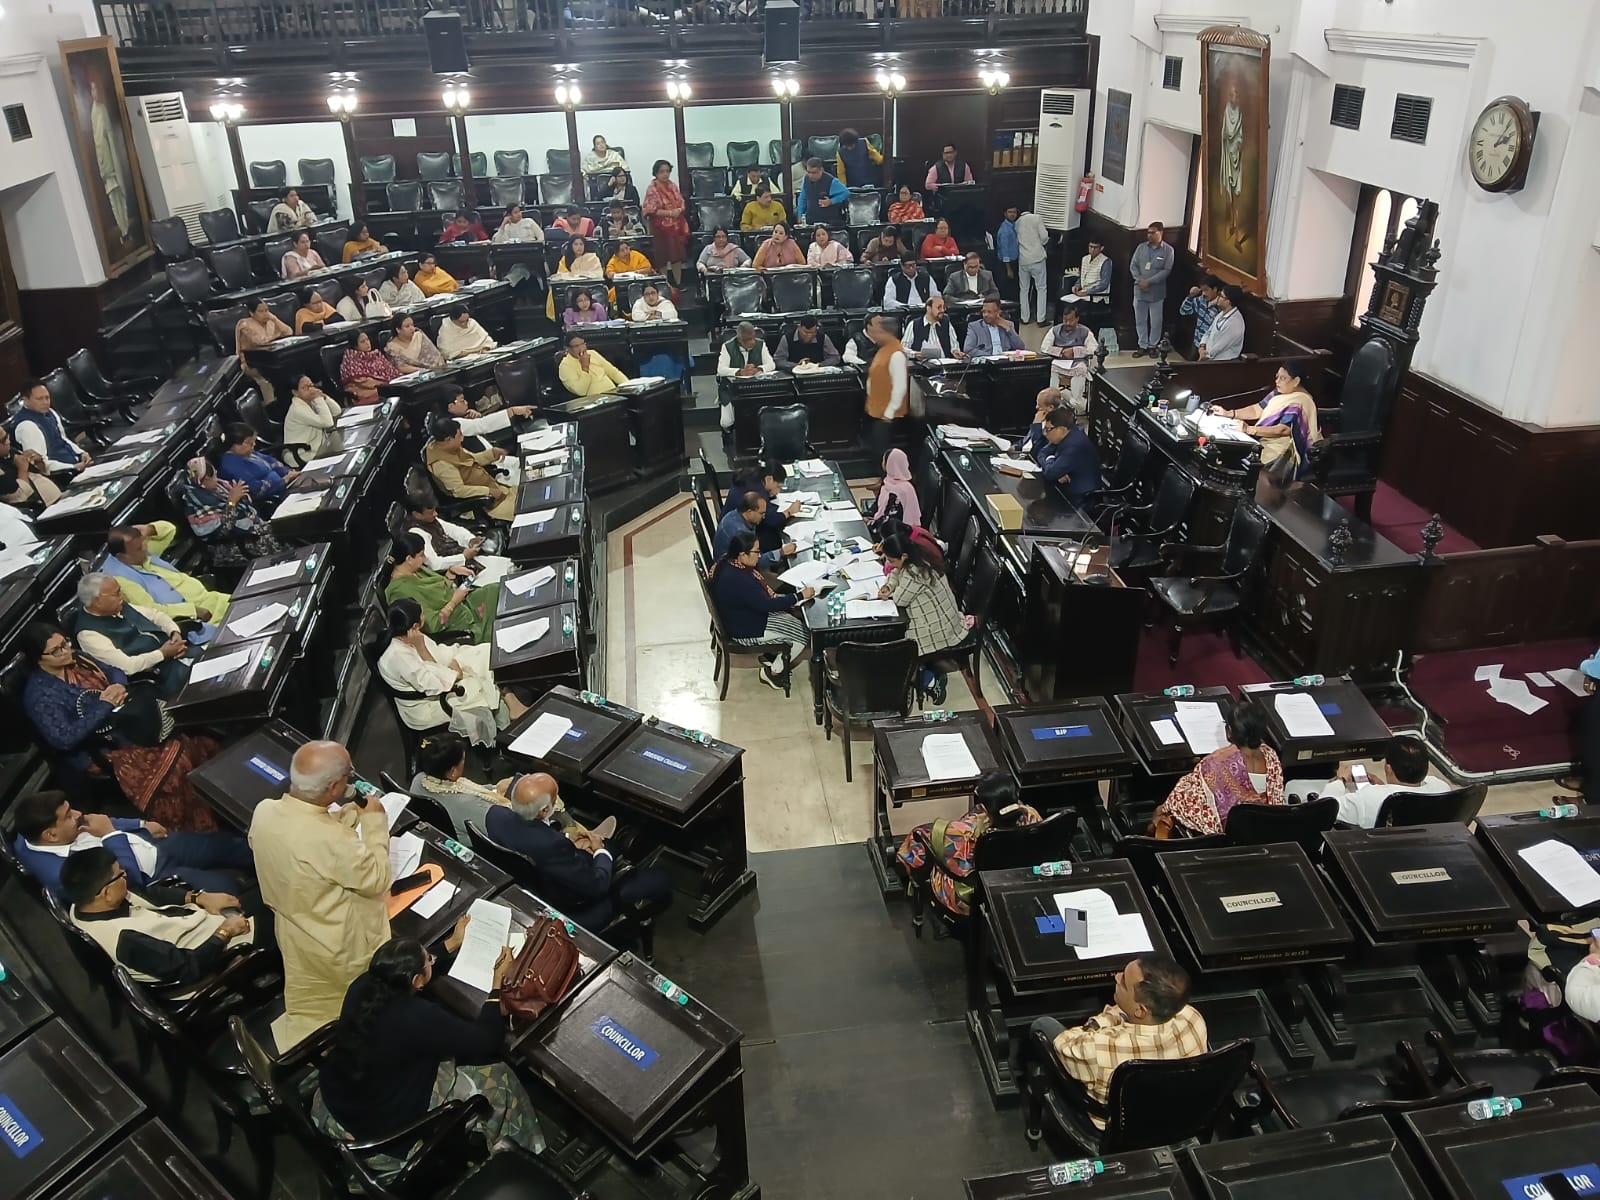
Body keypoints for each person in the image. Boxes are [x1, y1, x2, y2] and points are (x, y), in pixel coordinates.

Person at [316, 935, 539, 1152]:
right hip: (385, 1127)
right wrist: (497, 987)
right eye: (429, 960)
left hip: (342, 1096)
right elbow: (485, 1041)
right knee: (500, 1076)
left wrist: (450, 944)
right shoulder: (416, 1016)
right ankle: (527, 1152)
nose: (432, 960)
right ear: (417, 980)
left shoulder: (363, 984)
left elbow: (405, 969)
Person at [249, 740, 392, 1049]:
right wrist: (375, 823)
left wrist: (343, 819)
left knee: (312, 995)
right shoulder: (331, 841)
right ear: (334, 788)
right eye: (348, 773)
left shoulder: (264, 811)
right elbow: (378, 878)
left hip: (296, 931)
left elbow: (304, 837)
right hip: (337, 943)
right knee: (354, 1009)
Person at [18, 624, 220, 831]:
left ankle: (220, 806)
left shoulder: (78, 658)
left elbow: (114, 671)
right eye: (56, 651)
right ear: (38, 659)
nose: (66, 651)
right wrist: (105, 705)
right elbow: (64, 739)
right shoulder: (40, 696)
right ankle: (195, 829)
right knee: (177, 763)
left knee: (196, 737)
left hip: (127, 721)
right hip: (101, 747)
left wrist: (118, 685)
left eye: (65, 643)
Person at [1028, 956, 1207, 1125]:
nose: (1117, 977)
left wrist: (1095, 1024)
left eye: (1123, 982)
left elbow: (1065, 1044)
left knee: (1043, 1025)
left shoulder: (1097, 1048)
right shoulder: (1192, 1017)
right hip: (1177, 1115)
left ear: (1140, 1011)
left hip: (1121, 1125)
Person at [486, 774, 672, 932]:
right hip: (575, 908)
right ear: (544, 811)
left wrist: (567, 838)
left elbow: (530, 837)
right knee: (661, 877)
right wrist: (599, 850)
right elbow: (597, 886)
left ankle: (609, 849)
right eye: (554, 800)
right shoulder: (553, 845)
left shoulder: (494, 815)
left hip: (528, 886)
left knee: (608, 847)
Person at [63, 846, 258, 993]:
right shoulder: (126, 940)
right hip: (214, 956)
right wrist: (225, 931)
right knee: (274, 907)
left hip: (199, 922)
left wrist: (198, 898)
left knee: (260, 894)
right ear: (106, 893)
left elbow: (150, 895)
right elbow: (189, 968)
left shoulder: (84, 903)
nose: (125, 875)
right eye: (120, 874)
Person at [14, 788, 249, 901]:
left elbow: (101, 821)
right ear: (51, 835)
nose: (78, 814)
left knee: (228, 845)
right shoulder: (66, 875)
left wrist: (139, 823)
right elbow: (129, 883)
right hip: (154, 879)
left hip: (151, 843)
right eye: (68, 816)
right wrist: (109, 835)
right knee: (229, 889)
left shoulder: (29, 834)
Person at [896, 774, 1041, 918]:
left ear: (983, 807)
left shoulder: (964, 834)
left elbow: (922, 835)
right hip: (1018, 882)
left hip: (973, 897)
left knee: (921, 842)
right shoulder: (1032, 817)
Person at [380, 599, 520, 747]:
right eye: (422, 615)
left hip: (443, 674)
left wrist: (452, 663)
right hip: (428, 703)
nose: (424, 617)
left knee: (485, 653)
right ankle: (509, 727)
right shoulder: (400, 657)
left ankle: (513, 705)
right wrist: (452, 672)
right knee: (479, 685)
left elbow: (438, 653)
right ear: (415, 625)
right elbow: (433, 684)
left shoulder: (411, 635)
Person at [1154, 699, 1284, 836]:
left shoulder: (1215, 762)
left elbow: (1182, 799)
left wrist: (1162, 809)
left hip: (1230, 836)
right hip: (1266, 830)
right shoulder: (1271, 756)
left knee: (1162, 813)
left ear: (1229, 731)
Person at [708, 531, 811, 691]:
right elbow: (767, 605)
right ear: (742, 554)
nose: (759, 555)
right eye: (756, 552)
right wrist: (799, 596)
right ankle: (773, 672)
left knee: (793, 619)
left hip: (741, 615)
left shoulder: (728, 562)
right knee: (803, 635)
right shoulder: (741, 580)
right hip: (747, 628)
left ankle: (772, 654)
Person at [877, 530, 970, 703]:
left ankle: (930, 680)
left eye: (892, 560)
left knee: (896, 648)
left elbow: (900, 600)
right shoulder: (917, 557)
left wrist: (890, 593)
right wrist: (889, 587)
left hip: (938, 626)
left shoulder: (915, 572)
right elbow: (895, 573)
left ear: (903, 557)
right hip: (943, 617)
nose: (889, 564)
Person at [73, 573, 191, 699]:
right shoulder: (88, 634)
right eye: (116, 593)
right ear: (97, 601)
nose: (122, 596)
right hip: (158, 675)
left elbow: (156, 616)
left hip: (176, 653)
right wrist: (163, 653)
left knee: (205, 658)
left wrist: (174, 632)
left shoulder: (118, 605)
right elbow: (128, 666)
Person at [1285, 736, 1449, 826]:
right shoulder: (1442, 788)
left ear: (1388, 768)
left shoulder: (1369, 797)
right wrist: (1386, 787)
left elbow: (1324, 808)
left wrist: (1341, 779)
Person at [103, 521, 230, 635]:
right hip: (195, 620)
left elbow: (169, 529)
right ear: (121, 556)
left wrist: (148, 529)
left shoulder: (137, 550)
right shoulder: (120, 579)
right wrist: (193, 610)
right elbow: (151, 611)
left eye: (143, 542)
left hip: (213, 600)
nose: (145, 548)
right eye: (139, 548)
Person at [1211, 361, 1321, 479]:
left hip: (1281, 453)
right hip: (1262, 441)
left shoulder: (1302, 401)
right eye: (1277, 377)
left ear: (1296, 381)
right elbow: (1256, 410)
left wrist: (1249, 429)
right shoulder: (1279, 392)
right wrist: (1228, 413)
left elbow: (1283, 430)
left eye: (1282, 378)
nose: (1277, 381)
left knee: (1235, 459)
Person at [385, 531, 501, 643]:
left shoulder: (415, 569)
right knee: (499, 627)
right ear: (409, 559)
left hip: (463, 603)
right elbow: (434, 624)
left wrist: (451, 572)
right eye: (421, 555)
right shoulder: (400, 592)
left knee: (496, 589)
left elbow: (439, 589)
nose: (425, 558)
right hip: (456, 623)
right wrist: (454, 601)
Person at [179, 456, 282, 565]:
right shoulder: (197, 505)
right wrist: (232, 502)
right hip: (233, 545)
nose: (217, 478)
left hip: (251, 529)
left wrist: (241, 496)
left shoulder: (218, 487)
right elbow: (222, 532)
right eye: (214, 476)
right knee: (281, 540)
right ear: (204, 481)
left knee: (284, 528)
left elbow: (244, 506)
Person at [406, 494, 511, 585]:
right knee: (501, 580)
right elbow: (435, 564)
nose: (436, 514)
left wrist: (470, 540)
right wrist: (463, 556)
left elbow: (453, 529)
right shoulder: (416, 534)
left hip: (464, 557)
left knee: (508, 566)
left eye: (434, 511)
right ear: (417, 515)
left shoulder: (429, 519)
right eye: (431, 513)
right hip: (453, 571)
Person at [424, 418, 515, 524]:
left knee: (528, 493)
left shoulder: (450, 447)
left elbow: (471, 460)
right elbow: (459, 490)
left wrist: (492, 454)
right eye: (460, 435)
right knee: (525, 510)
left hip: (497, 488)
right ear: (448, 439)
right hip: (484, 504)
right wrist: (488, 491)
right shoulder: (442, 465)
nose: (462, 439)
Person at [9, 378, 89, 480]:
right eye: (39, 399)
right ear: (26, 400)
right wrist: (73, 467)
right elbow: (41, 465)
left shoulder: (50, 412)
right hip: (62, 476)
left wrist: (81, 453)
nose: (45, 402)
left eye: (47, 398)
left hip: (76, 465)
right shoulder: (27, 426)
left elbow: (62, 439)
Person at [89, 76, 132, 238]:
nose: (95, 92)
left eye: (96, 88)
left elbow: (109, 136)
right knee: (113, 198)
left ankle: (125, 227)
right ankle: (122, 228)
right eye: (92, 89)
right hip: (105, 162)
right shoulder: (94, 111)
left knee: (120, 195)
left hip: (112, 160)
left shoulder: (102, 109)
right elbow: (98, 139)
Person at [218, 423, 297, 511]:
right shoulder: (230, 465)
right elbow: (256, 489)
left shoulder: (248, 453)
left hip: (285, 485)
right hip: (273, 497)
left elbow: (271, 461)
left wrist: (288, 472)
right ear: (234, 444)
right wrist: (283, 480)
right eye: (249, 442)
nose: (253, 444)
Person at [862, 313, 908, 458]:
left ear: (888, 333)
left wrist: (889, 412)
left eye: (879, 332)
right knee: (873, 450)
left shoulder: (896, 354)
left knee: (881, 453)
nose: (876, 335)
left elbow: (900, 386)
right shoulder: (883, 349)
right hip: (876, 411)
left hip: (887, 416)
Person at [713, 490, 795, 572]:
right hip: (733, 571)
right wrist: (781, 552)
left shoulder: (735, 514)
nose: (764, 517)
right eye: (761, 513)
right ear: (749, 512)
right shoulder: (740, 533)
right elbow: (756, 561)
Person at [1037, 404, 1102, 503]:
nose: (1045, 434)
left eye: (1048, 429)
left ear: (1061, 429)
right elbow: (1041, 453)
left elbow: (1050, 473)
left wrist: (1051, 460)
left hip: (1082, 499)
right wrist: (1057, 470)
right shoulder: (1064, 435)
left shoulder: (1074, 446)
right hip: (1065, 489)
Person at [642, 159, 690, 290]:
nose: (665, 174)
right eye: (662, 171)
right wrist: (669, 213)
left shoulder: (672, 186)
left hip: (676, 226)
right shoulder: (652, 188)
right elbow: (650, 210)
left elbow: (682, 203)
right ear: (656, 173)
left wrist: (678, 210)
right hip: (659, 227)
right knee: (662, 256)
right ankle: (664, 284)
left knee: (676, 256)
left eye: (667, 171)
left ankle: (678, 283)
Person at [1130, 222, 1175, 357]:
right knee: (1140, 320)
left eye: (1152, 232)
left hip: (1156, 293)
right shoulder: (1141, 248)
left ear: (1161, 232)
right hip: (1139, 290)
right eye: (1148, 232)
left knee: (1156, 322)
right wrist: (1140, 280)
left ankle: (1153, 346)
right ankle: (1142, 345)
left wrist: (1149, 282)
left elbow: (1166, 270)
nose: (1149, 235)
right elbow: (1133, 265)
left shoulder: (1168, 250)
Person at [1041, 305, 1098, 404]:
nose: (1067, 323)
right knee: (1051, 367)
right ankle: (1052, 399)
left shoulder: (1085, 331)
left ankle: (1076, 401)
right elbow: (1044, 347)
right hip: (1059, 361)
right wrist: (1061, 352)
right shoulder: (1055, 330)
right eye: (1065, 320)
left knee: (1081, 369)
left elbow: (1094, 348)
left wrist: (1075, 351)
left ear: (1077, 319)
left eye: (1071, 320)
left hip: (1077, 362)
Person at [0, 424, 61, 509]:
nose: (8, 442)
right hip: (40, 510)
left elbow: (42, 474)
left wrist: (39, 463)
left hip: (58, 500)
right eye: (3, 440)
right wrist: (22, 470)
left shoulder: (11, 451)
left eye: (7, 436)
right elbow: (20, 499)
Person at [283, 375, 342, 460]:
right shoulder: (298, 409)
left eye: (311, 385)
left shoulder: (310, 400)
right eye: (305, 388)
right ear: (295, 392)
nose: (310, 389)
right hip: (304, 453)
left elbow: (337, 411)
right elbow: (328, 423)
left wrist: (324, 397)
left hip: (319, 445)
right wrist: (318, 398)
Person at [1219, 80, 1247, 250]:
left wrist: (1237, 144)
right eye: (1230, 94)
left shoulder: (1240, 113)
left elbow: (1240, 135)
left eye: (1235, 94)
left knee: (1237, 195)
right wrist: (1227, 141)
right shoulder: (1227, 109)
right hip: (1227, 156)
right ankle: (1230, 226)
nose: (1232, 97)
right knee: (1228, 195)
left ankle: (1237, 233)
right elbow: (1224, 132)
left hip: (1236, 155)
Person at [558, 332, 629, 397]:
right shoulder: (565, 366)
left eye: (582, 344)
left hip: (613, 394)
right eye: (576, 346)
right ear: (567, 348)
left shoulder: (592, 353)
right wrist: (585, 367)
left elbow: (613, 372)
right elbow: (580, 391)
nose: (581, 348)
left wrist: (628, 385)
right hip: (592, 401)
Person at [338, 329, 400, 404]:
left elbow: (391, 370)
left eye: (367, 339)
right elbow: (365, 382)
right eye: (362, 342)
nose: (367, 343)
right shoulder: (350, 360)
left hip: (386, 387)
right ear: (355, 345)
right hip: (365, 392)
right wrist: (387, 385)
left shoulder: (376, 355)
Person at [1014, 207, 1049, 326]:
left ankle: (1025, 318)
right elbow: (1044, 237)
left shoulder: (1017, 223)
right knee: (1041, 288)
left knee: (1024, 289)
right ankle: (1041, 319)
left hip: (1023, 259)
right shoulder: (1037, 218)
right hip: (1037, 258)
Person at [1069, 238, 1113, 327]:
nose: (1092, 249)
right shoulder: (1085, 259)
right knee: (1064, 306)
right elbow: (1081, 276)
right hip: (1082, 294)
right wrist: (1077, 285)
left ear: (1101, 248)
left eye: (1095, 247)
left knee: (1077, 310)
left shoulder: (1106, 262)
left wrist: (1087, 292)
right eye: (1090, 246)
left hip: (1096, 297)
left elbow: (1104, 284)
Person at [873, 448, 921, 529]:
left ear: (890, 464)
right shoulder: (888, 482)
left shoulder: (897, 493)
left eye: (884, 460)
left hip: (896, 532)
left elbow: (890, 522)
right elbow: (877, 504)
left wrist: (871, 524)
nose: (882, 463)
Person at [905, 295, 964, 361]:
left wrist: (955, 352)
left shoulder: (947, 324)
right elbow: (902, 349)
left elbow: (954, 346)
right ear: (928, 308)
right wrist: (915, 354)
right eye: (939, 307)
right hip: (923, 364)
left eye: (943, 307)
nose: (942, 310)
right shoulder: (914, 324)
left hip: (945, 363)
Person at [774, 315, 840, 372]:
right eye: (806, 332)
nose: (809, 336)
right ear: (799, 328)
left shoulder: (822, 337)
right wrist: (797, 365)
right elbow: (778, 361)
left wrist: (818, 365)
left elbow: (835, 357)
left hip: (817, 372)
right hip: (793, 373)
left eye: (812, 333)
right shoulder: (787, 338)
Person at [1197, 285, 1245, 362]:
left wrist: (1204, 356)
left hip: (1222, 362)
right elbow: (1208, 332)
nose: (1218, 298)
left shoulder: (1235, 323)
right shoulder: (1221, 313)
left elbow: (1219, 347)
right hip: (1207, 356)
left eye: (1221, 296)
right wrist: (1202, 347)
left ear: (1228, 301)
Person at [797, 157, 849, 225]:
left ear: (821, 170)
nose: (810, 175)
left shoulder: (831, 181)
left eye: (814, 173)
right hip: (811, 220)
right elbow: (802, 198)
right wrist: (800, 214)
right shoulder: (806, 179)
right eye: (808, 172)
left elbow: (846, 193)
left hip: (828, 221)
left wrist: (831, 201)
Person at [1019, 390, 1063, 462]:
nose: (1036, 407)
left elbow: (1038, 450)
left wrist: (1036, 425)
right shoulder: (1041, 417)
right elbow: (1028, 439)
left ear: (1051, 407)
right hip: (1021, 455)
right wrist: (1015, 447)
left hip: (1034, 461)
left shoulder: (1055, 428)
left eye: (1039, 405)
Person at [1180, 274, 1222, 349]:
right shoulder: (1201, 300)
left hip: (1210, 346)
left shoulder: (1221, 307)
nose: (1203, 293)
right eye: (1202, 290)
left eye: (1206, 290)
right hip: (1197, 342)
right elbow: (1184, 311)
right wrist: (1191, 295)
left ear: (1215, 289)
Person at [997, 206, 1020, 294]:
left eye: (1014, 212)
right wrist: (1008, 268)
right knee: (1007, 289)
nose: (1012, 214)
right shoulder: (1005, 229)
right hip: (1006, 264)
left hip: (1014, 261)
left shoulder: (1014, 226)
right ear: (1005, 214)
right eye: (1010, 212)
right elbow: (1004, 249)